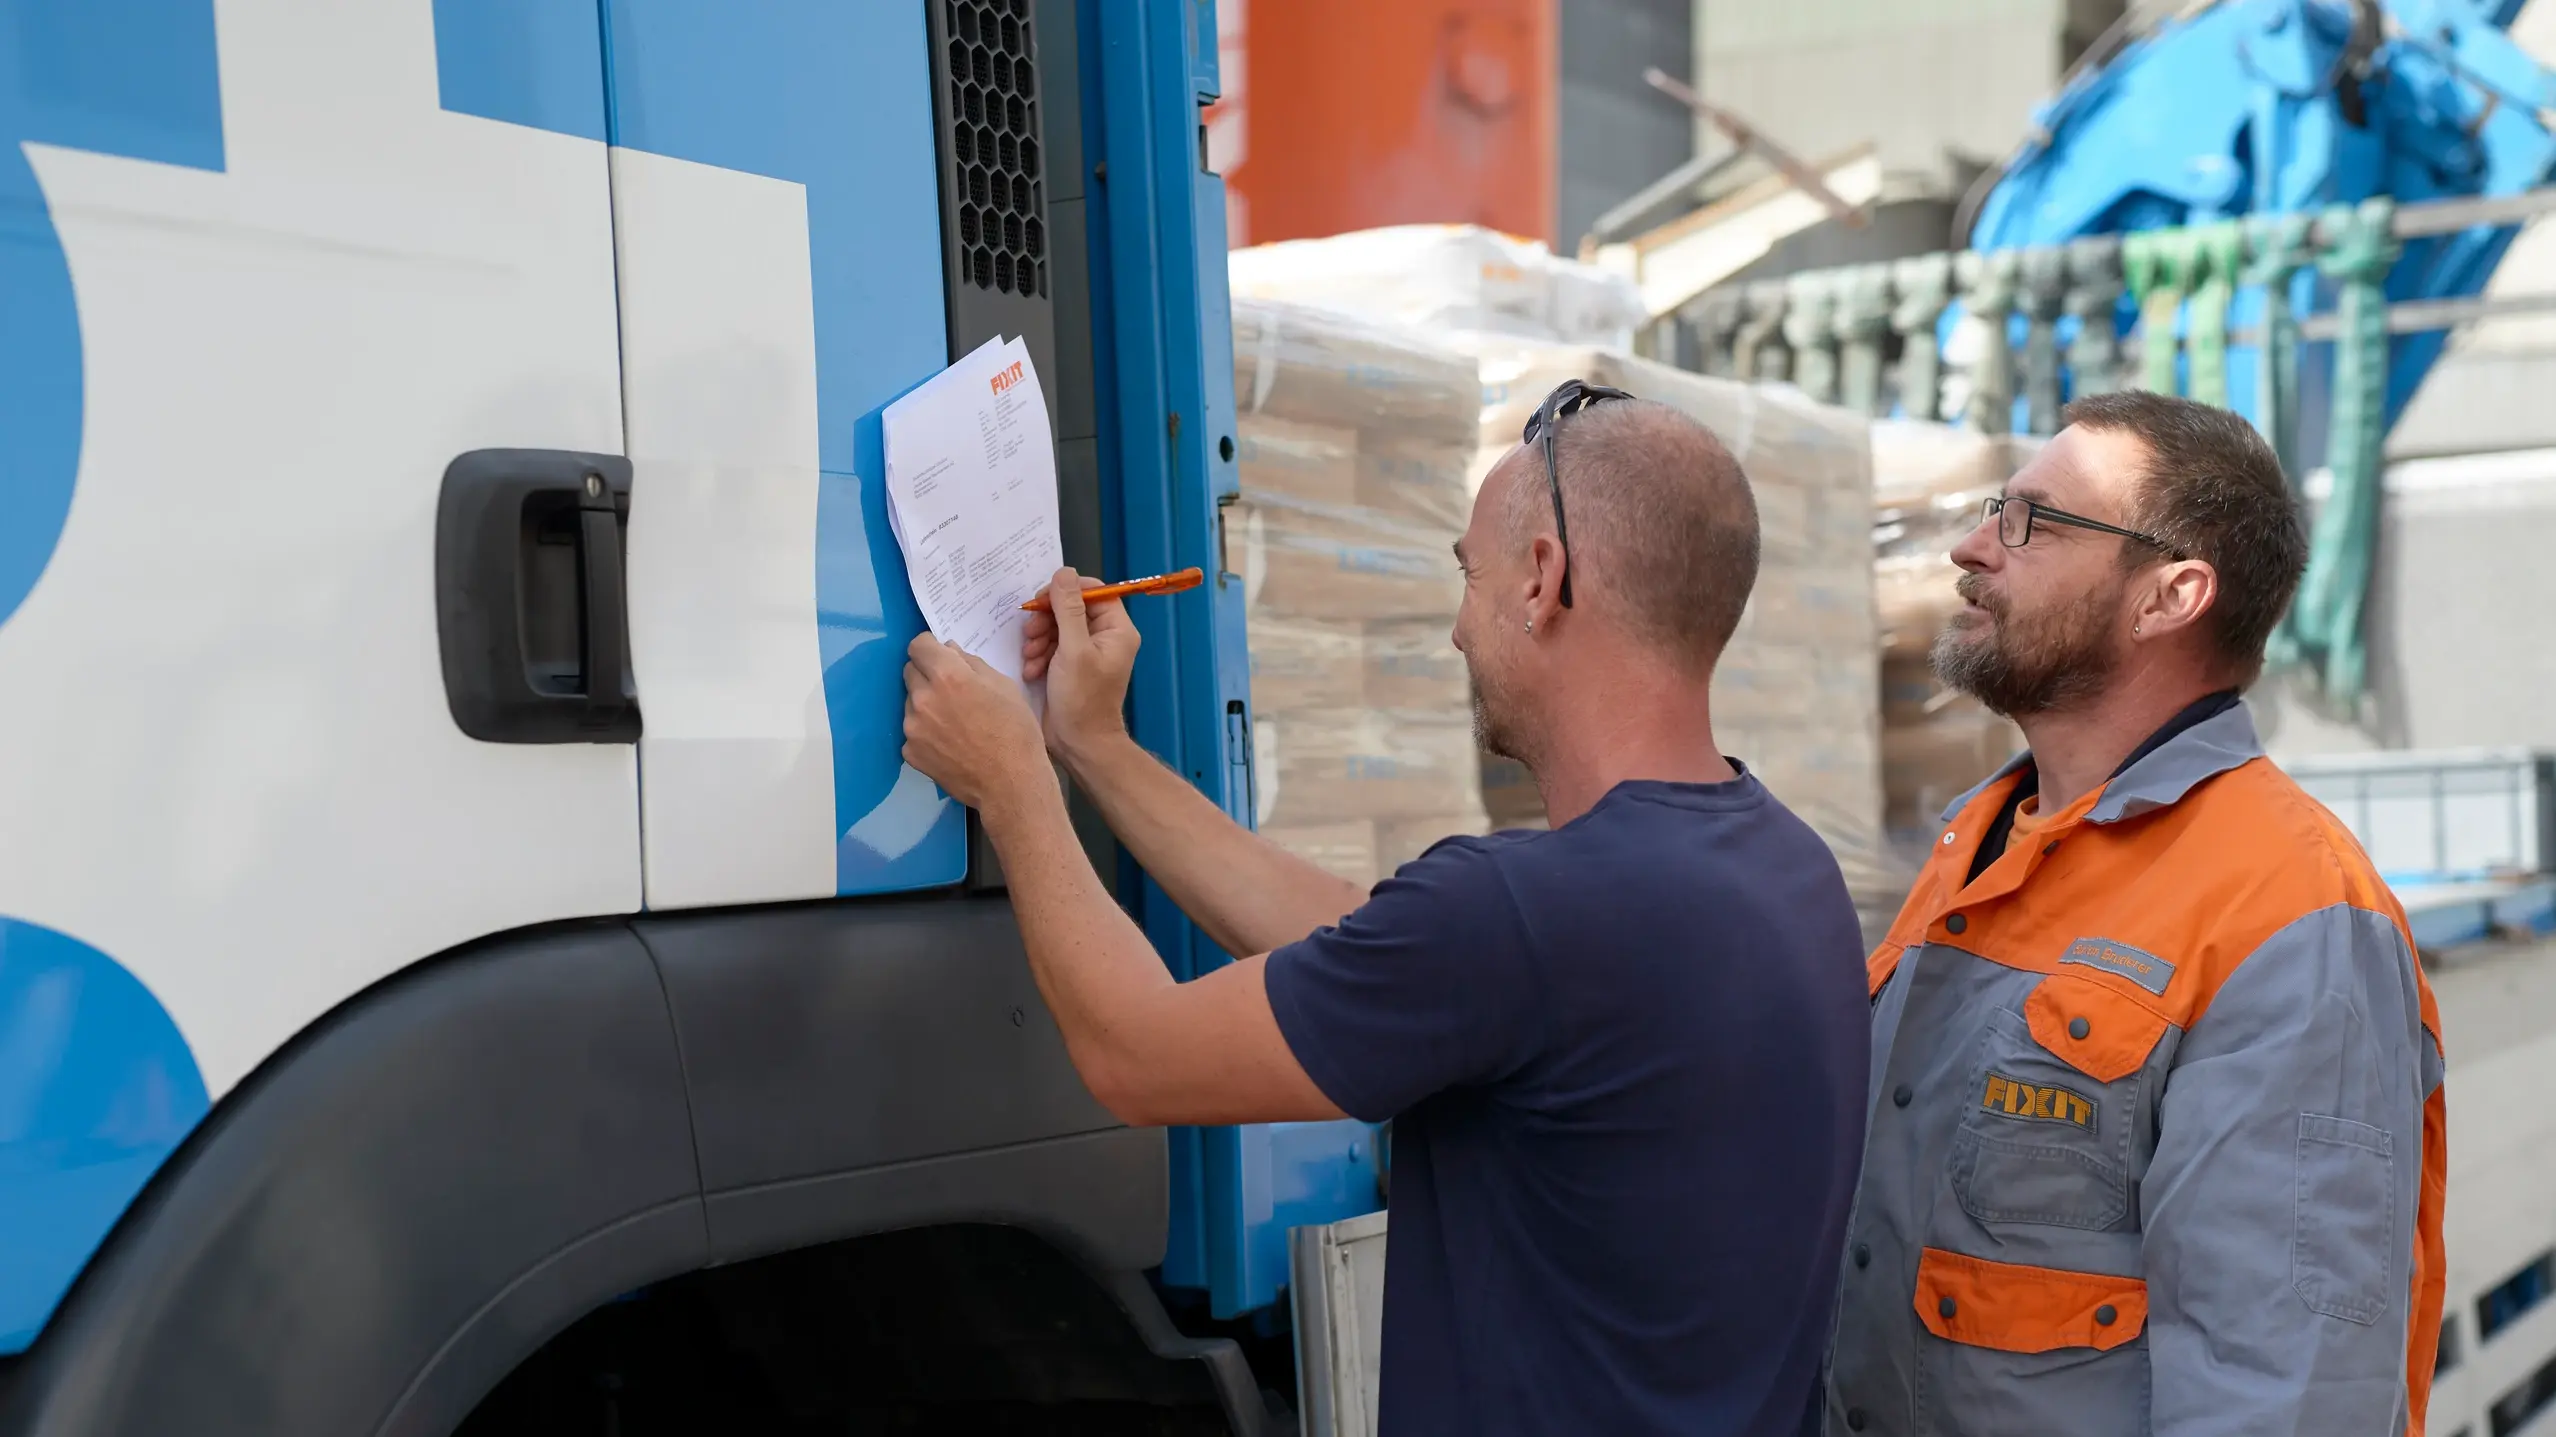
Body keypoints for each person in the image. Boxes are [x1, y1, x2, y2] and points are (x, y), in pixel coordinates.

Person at [900, 383, 1870, 1435]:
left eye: (1469, 574)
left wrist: (1011, 786)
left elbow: (1132, 1052)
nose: (1457, 628)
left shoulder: (1521, 918)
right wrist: (1093, 748)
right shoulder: (1788, 869)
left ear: (1542, 580)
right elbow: (1371, 942)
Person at [1830, 391, 2447, 1437]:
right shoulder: (1980, 842)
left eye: (2032, 521)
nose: (1974, 548)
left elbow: (2286, 1395)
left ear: (2170, 595)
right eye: (1993, 510)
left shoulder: (2289, 910)